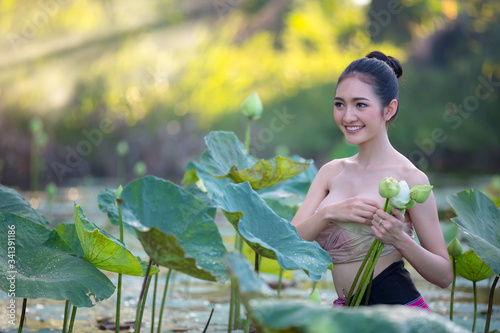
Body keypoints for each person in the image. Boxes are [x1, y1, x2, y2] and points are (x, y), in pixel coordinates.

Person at [291, 51, 453, 310]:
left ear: (389, 109)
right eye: (340, 104)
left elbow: (444, 276)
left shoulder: (410, 178)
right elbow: (290, 243)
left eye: (360, 105)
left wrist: (400, 239)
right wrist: (329, 214)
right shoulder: (330, 172)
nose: (347, 116)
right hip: (347, 312)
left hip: (395, 313)